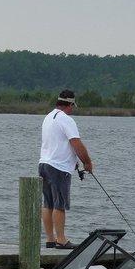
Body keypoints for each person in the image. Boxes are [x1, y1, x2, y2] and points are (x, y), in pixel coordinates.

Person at [38, 89, 93, 249]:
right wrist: (87, 162)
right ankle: (61, 239)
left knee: (47, 203)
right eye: (72, 106)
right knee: (59, 204)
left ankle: (50, 239)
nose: (72, 109)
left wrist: (73, 162)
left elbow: (58, 144)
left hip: (43, 164)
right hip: (58, 168)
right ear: (69, 104)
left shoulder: (48, 117)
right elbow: (76, 144)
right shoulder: (66, 120)